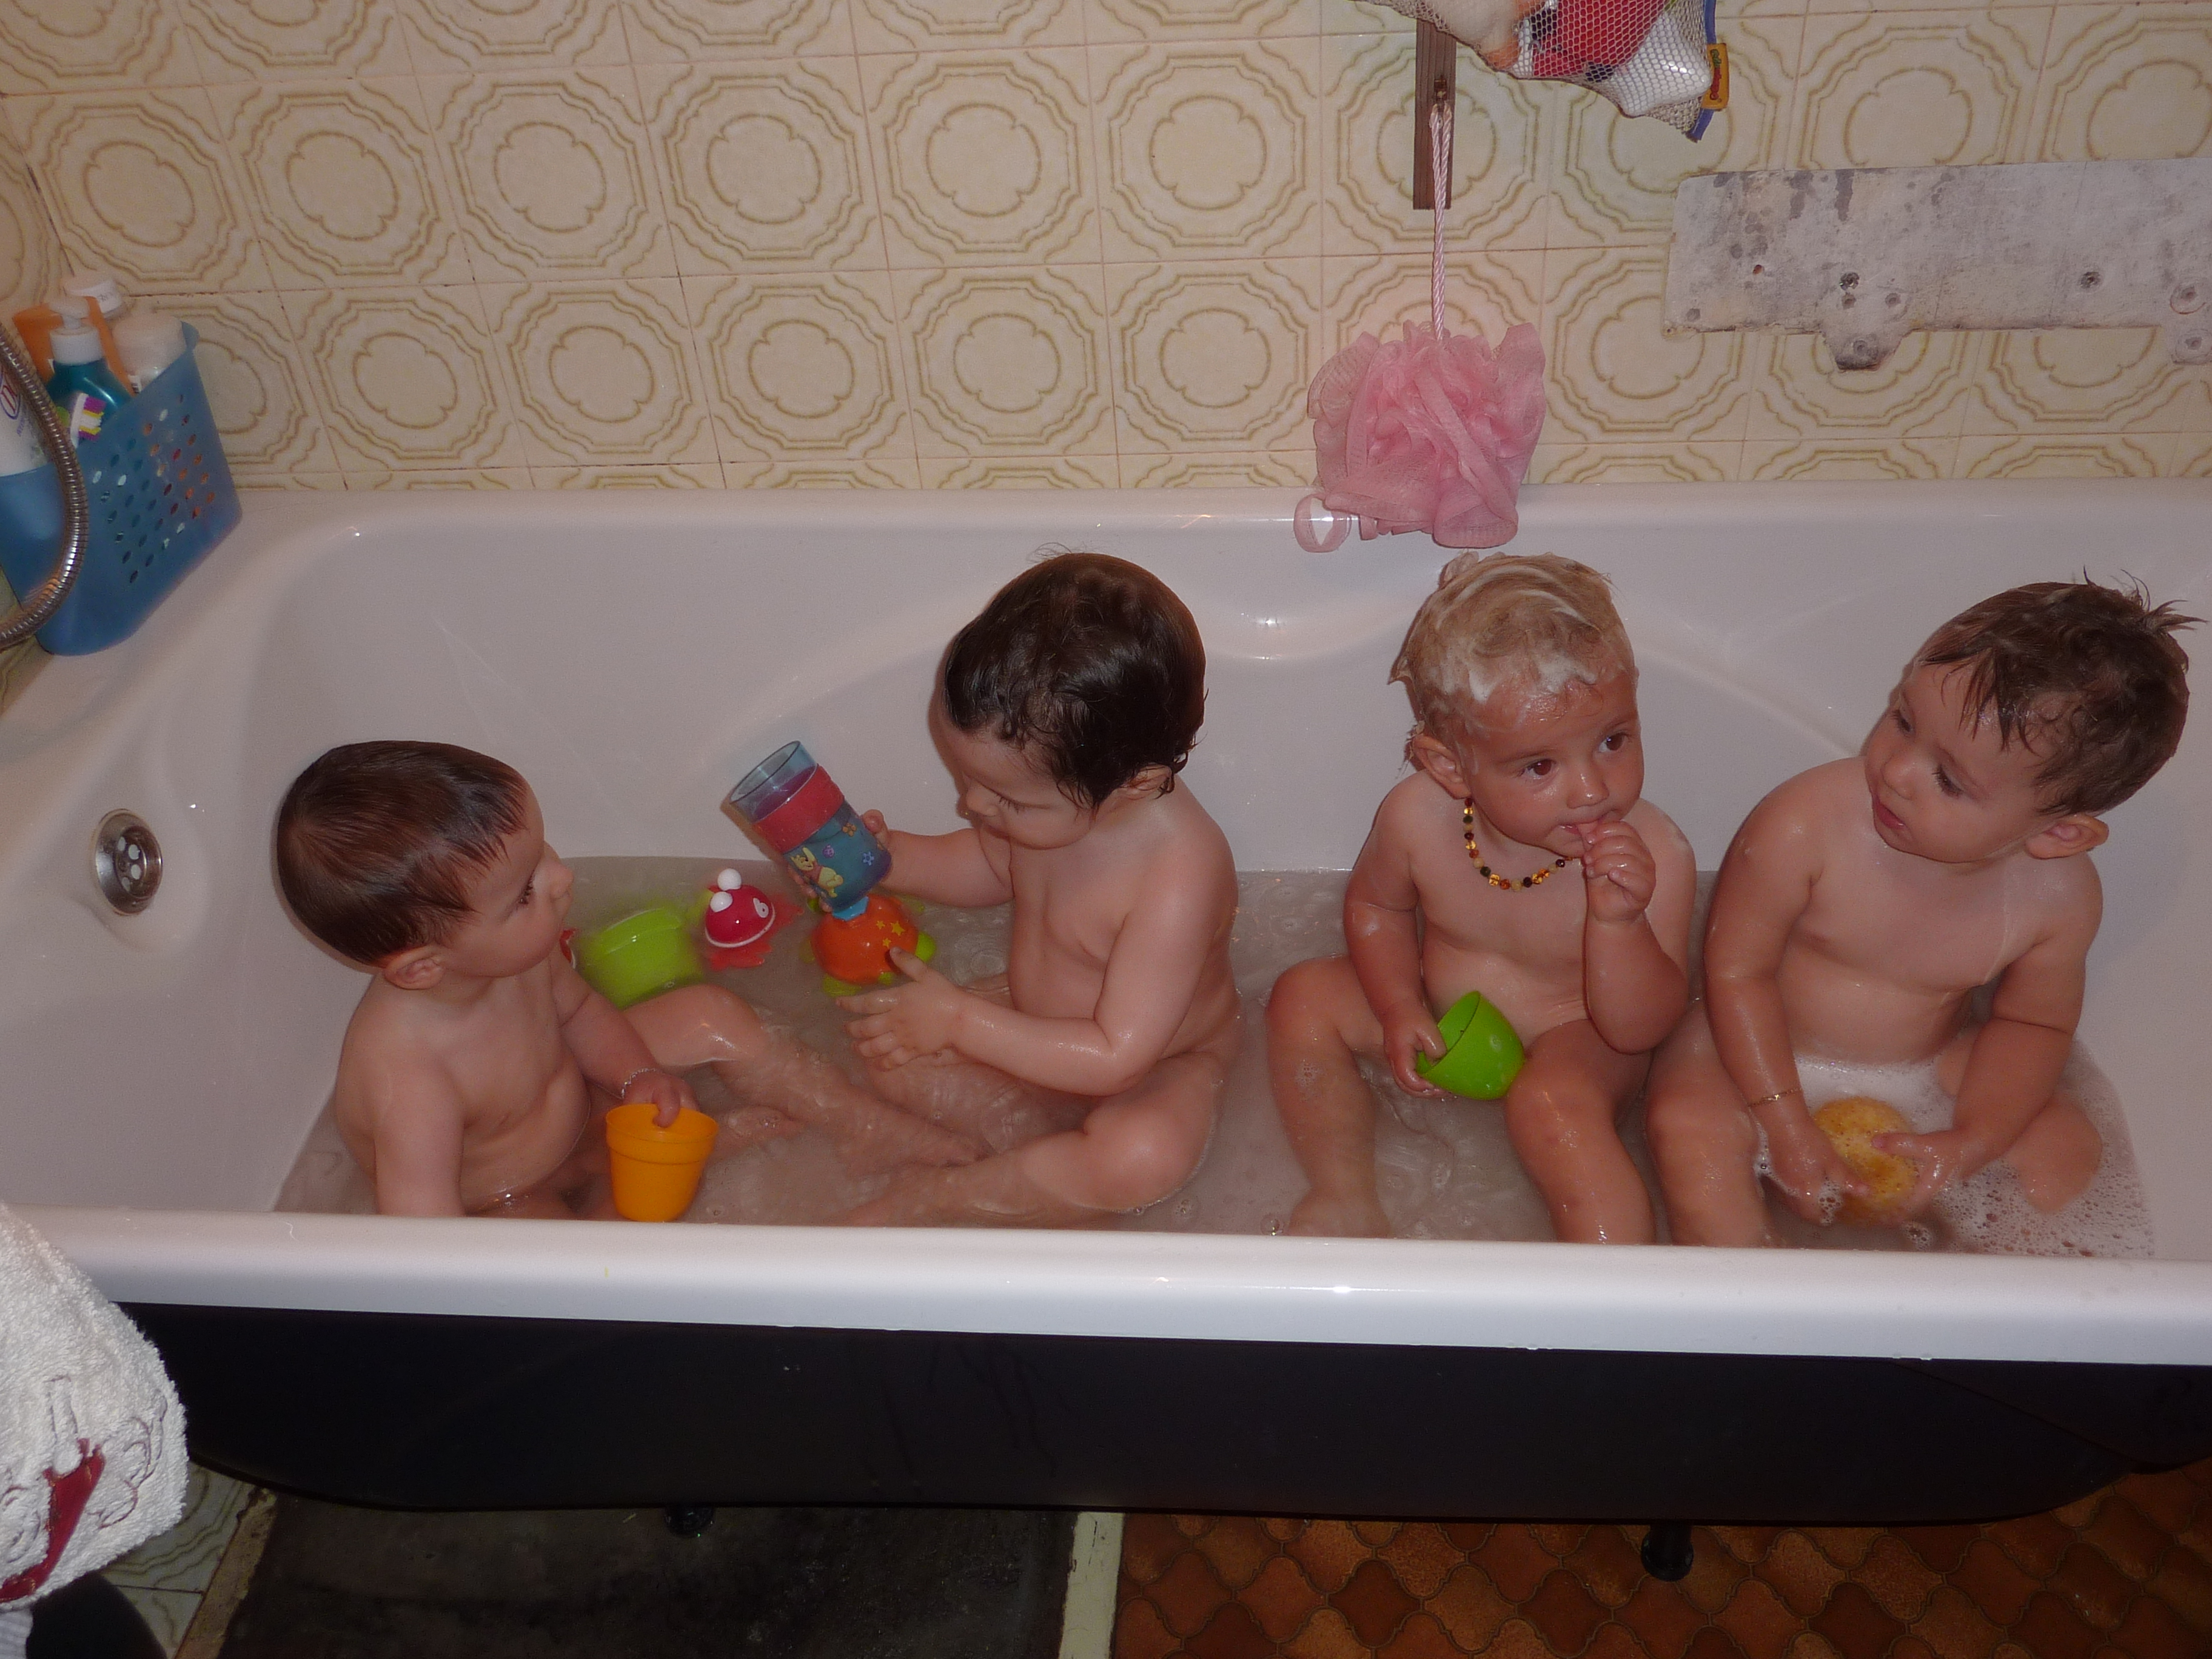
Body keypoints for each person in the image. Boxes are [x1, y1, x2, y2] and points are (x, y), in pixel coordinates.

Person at [1646, 580, 2195, 1246]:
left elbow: (2031, 1024)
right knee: (1689, 1128)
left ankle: (1988, 1289)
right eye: (1904, 720)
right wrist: (1783, 1120)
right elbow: (1737, 973)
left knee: (2064, 1151)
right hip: (1748, 1046)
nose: (1898, 772)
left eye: (1949, 780)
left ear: (2057, 834)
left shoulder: (2057, 898)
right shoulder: (1805, 824)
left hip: (1926, 1062)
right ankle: (1744, 1284)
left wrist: (1973, 1140)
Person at [276, 742, 974, 1218]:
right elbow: (427, 1252)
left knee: (708, 1012)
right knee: (575, 1259)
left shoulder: (509, 951)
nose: (561, 878)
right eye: (525, 892)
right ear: (424, 966)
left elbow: (580, 1014)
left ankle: (859, 1123)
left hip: (584, 1103)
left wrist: (638, 1077)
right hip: (512, 1199)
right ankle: (669, 1167)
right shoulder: (412, 1084)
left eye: (543, 852)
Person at [1265, 552, 1695, 1242]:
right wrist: (1399, 1005)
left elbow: (1641, 1030)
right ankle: (1342, 1193)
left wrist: (1620, 923)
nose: (1592, 789)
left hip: (1582, 1036)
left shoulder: (1656, 856)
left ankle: (1612, 1280)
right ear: (1451, 767)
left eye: (1613, 740)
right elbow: (1377, 909)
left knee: (1551, 1105)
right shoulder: (1416, 819)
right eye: (1540, 766)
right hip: (1446, 1016)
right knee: (1302, 999)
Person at [836, 553, 1242, 1227]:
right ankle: (1025, 1167)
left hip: (1159, 1067)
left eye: (1007, 800)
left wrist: (961, 1023)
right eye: (970, 779)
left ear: (1135, 784)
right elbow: (989, 866)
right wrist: (887, 861)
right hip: (1030, 1026)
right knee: (889, 1054)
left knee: (1142, 1156)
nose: (973, 805)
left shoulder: (1177, 876)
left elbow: (1116, 1057)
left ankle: (937, 1196)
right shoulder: (1052, 806)